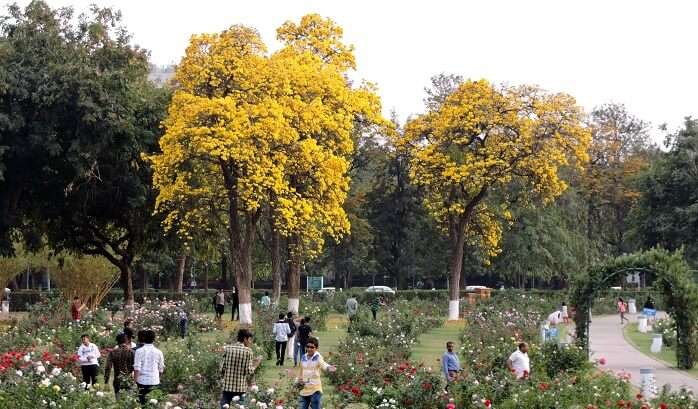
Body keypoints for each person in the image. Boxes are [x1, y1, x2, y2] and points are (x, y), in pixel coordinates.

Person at [220, 329, 263, 408]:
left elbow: (222, 368)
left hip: (227, 386)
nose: (250, 342)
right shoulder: (248, 351)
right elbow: (249, 371)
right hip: (240, 387)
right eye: (249, 340)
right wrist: (256, 363)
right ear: (245, 339)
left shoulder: (228, 348)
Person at [297, 336, 336, 409]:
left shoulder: (318, 357)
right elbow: (301, 370)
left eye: (312, 347)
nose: (309, 349)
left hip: (315, 389)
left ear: (316, 348)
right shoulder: (303, 357)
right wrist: (299, 380)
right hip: (305, 388)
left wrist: (329, 368)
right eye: (308, 346)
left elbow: (323, 364)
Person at [133, 329, 165, 404]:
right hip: (154, 381)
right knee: (153, 404)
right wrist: (157, 378)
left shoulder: (139, 351)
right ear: (154, 339)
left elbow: (137, 368)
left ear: (144, 338)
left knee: (142, 403)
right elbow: (161, 369)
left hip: (141, 381)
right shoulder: (159, 352)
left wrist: (134, 381)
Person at [105, 333, 135, 398]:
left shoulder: (113, 352)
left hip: (117, 379)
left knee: (119, 402)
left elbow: (108, 367)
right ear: (126, 341)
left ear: (117, 341)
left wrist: (106, 381)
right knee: (128, 401)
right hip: (129, 379)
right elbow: (135, 366)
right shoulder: (131, 352)